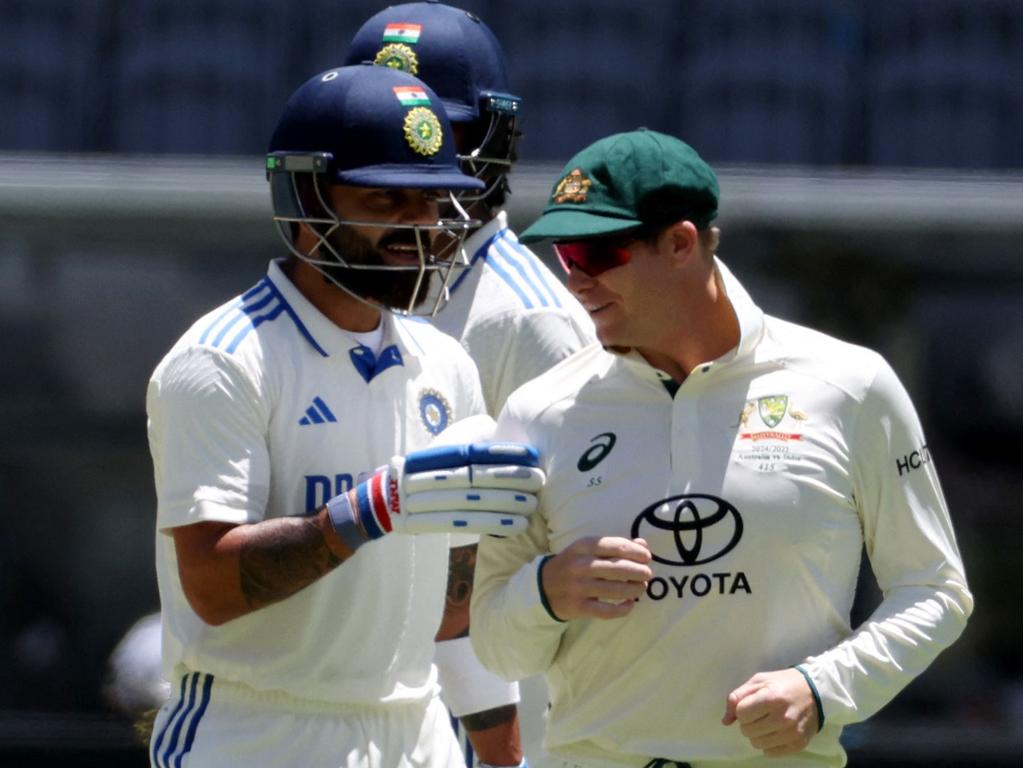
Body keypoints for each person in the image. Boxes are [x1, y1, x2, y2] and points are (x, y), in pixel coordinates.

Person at [469, 128, 974, 767]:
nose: (575, 281)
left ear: (680, 243)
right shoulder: (538, 410)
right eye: (564, 255)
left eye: (595, 255)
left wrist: (824, 689)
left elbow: (936, 590)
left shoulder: (851, 384)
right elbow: (496, 648)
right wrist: (545, 590)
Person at [145, 63, 543, 768]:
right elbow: (210, 587)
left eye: (430, 202)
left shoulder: (442, 363)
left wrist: (503, 754)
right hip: (257, 733)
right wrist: (370, 510)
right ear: (303, 199)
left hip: (416, 732)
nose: (417, 226)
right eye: (385, 200)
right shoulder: (222, 360)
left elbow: (453, 612)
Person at [345, 5, 596, 765]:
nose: (413, 161)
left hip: (510, 724)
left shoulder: (529, 318)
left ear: (494, 141)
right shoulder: (363, 295)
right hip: (378, 707)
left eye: (439, 133)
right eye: (388, 135)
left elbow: (566, 557)